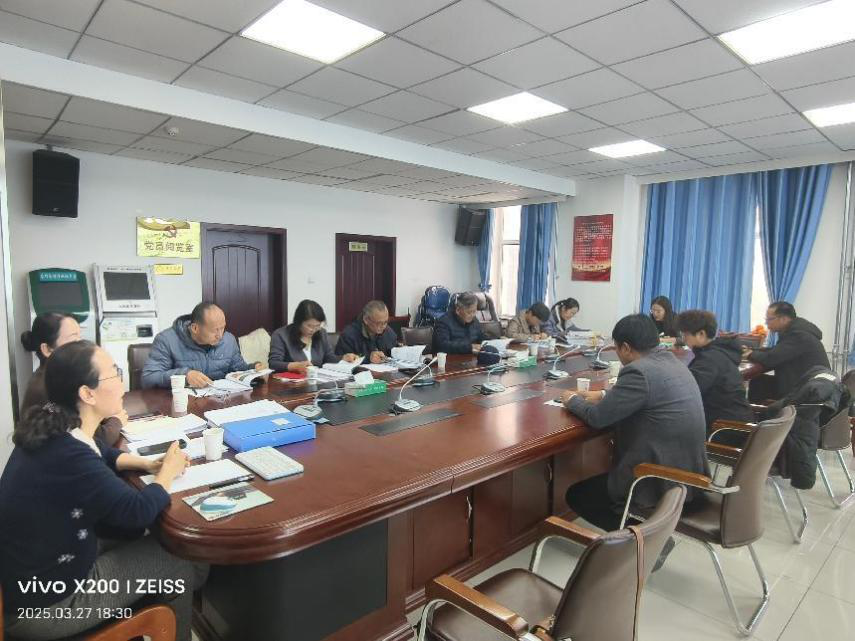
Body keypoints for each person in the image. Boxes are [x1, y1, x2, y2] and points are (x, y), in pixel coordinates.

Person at [0, 341, 207, 641]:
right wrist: (167, 473)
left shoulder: (51, 422)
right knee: (178, 556)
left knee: (144, 541)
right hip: (47, 607)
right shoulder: (71, 454)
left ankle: (151, 608)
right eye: (114, 373)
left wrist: (146, 463)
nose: (122, 382)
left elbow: (100, 449)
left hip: (37, 576)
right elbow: (137, 512)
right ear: (87, 394)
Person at [560, 314, 708, 536]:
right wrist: (603, 394)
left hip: (656, 479)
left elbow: (598, 418)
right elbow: (649, 393)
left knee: (577, 495)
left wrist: (571, 400)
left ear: (626, 348)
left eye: (617, 348)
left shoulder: (638, 371)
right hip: (687, 474)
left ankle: (644, 538)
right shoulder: (673, 362)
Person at [20, 312, 123, 445]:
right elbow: (88, 439)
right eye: (74, 340)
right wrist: (116, 421)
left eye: (80, 338)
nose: (81, 345)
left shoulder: (65, 376)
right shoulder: (47, 387)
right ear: (47, 349)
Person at [142, 302, 261, 389]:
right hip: (184, 405)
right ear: (195, 328)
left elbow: (239, 369)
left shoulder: (228, 339)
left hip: (220, 402)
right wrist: (185, 376)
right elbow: (149, 378)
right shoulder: (166, 340)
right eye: (215, 330)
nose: (220, 336)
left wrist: (254, 369)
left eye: (223, 328)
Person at [676, 309, 752, 431]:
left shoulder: (709, 359)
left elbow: (688, 391)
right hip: (736, 422)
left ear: (701, 334)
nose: (683, 340)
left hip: (725, 428)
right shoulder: (719, 352)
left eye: (685, 335)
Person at [745, 301, 830, 398]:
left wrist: (750, 354)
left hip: (807, 391)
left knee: (758, 384)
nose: (766, 323)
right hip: (804, 384)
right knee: (758, 382)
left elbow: (771, 358)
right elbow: (776, 350)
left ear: (784, 319)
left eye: (769, 319)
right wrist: (752, 350)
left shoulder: (799, 335)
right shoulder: (794, 330)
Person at [269, 299, 356, 372]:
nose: (313, 330)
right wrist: (293, 366)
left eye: (317, 325)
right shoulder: (281, 335)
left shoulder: (321, 333)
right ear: (298, 322)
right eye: (309, 326)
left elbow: (329, 358)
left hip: (317, 380)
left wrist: (343, 358)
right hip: (290, 383)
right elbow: (273, 363)